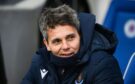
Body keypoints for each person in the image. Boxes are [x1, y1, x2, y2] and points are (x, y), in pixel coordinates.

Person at [21, 5, 123, 84]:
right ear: (47, 44)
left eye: (70, 38)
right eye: (57, 41)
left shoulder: (103, 64)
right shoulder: (40, 61)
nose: (65, 46)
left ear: (79, 35)